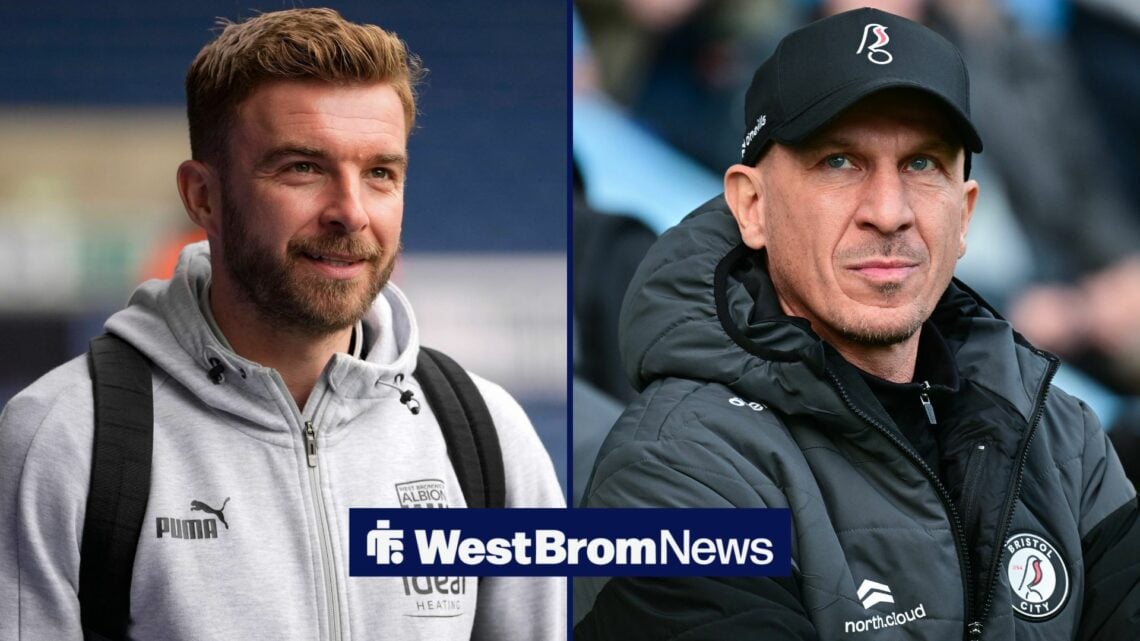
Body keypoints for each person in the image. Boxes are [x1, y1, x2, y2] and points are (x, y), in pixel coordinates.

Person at [575, 8, 1140, 640]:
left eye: (923, 164)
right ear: (752, 206)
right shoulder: (670, 472)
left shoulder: (1064, 437)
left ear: (965, 214)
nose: (889, 212)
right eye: (840, 162)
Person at [0, 8, 564, 641]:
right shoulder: (62, 438)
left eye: (380, 172)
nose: (350, 212)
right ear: (202, 198)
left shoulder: (488, 435)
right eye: (302, 167)